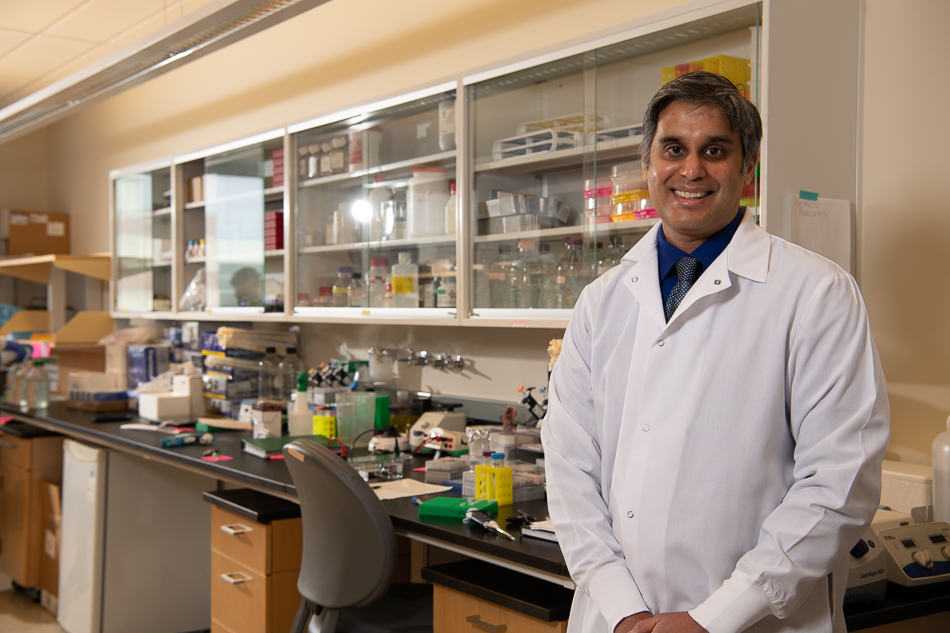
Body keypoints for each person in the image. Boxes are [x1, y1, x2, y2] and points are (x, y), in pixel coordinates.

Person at [540, 71, 889, 633]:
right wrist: (622, 608)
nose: (691, 170)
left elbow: (839, 482)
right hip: (615, 617)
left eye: (715, 150)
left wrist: (715, 618)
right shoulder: (601, 301)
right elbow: (568, 466)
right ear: (648, 163)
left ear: (748, 168)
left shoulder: (816, 292)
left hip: (756, 620)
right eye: (673, 149)